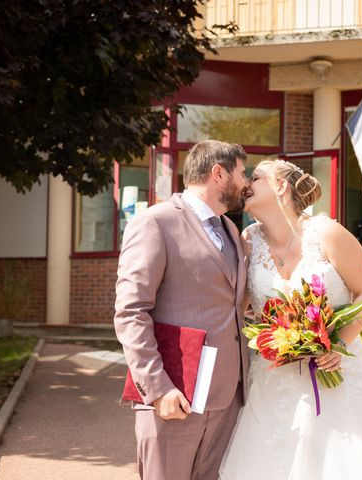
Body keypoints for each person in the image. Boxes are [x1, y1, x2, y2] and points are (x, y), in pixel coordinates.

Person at [219, 159, 362, 479]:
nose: (246, 185)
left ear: (280, 186)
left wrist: (338, 344)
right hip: (273, 381)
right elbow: (240, 305)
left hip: (335, 373)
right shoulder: (248, 240)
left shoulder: (326, 233)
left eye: (256, 177)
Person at [114, 140, 250, 480]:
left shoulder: (231, 229)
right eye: (242, 173)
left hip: (227, 396)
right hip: (175, 394)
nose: (246, 184)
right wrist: (157, 389)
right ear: (219, 173)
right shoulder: (155, 223)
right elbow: (131, 311)